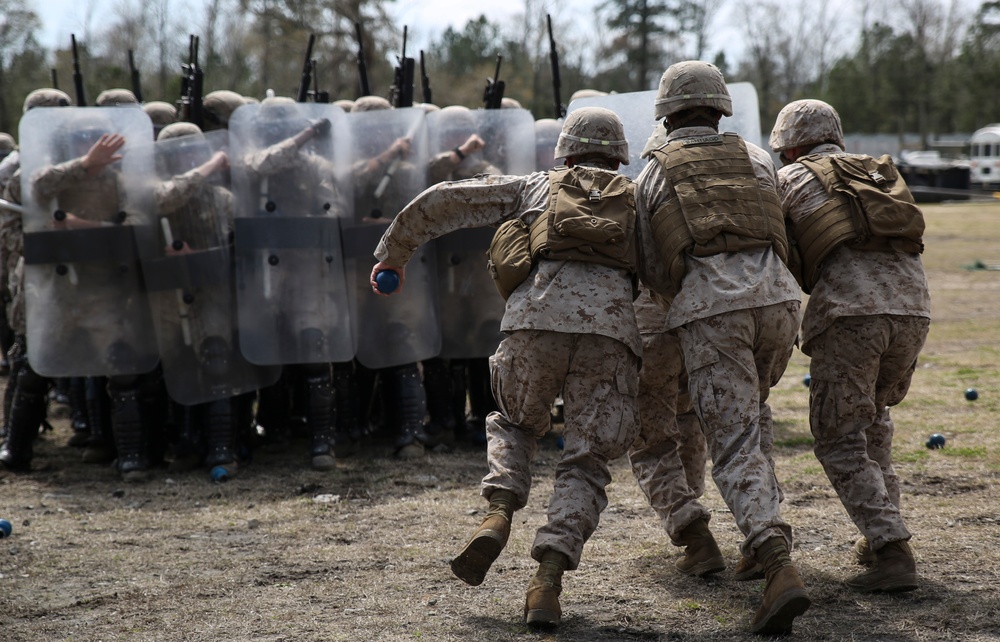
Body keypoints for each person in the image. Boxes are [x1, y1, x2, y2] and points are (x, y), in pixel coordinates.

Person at [371, 107, 644, 629]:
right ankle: (546, 582)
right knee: (586, 461)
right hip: (609, 334)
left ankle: (498, 513)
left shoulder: (534, 186)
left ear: (564, 150)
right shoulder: (639, 198)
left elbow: (443, 200)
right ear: (619, 155)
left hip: (532, 322)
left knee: (517, 423)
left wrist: (393, 254)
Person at [635, 60, 807, 634]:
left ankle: (777, 562)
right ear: (721, 107)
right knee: (751, 422)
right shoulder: (758, 158)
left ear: (665, 112)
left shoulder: (655, 172)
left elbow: (652, 263)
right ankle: (764, 543)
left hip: (716, 313)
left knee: (730, 440)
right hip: (780, 303)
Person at [769, 98, 930, 593]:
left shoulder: (792, 179)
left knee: (839, 436)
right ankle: (881, 533)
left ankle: (890, 548)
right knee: (874, 420)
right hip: (913, 311)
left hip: (850, 316)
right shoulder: (877, 172)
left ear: (790, 145)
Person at [627, 286, 723, 577]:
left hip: (648, 325)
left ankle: (695, 534)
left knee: (650, 442)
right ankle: (690, 499)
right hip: (697, 319)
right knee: (687, 413)